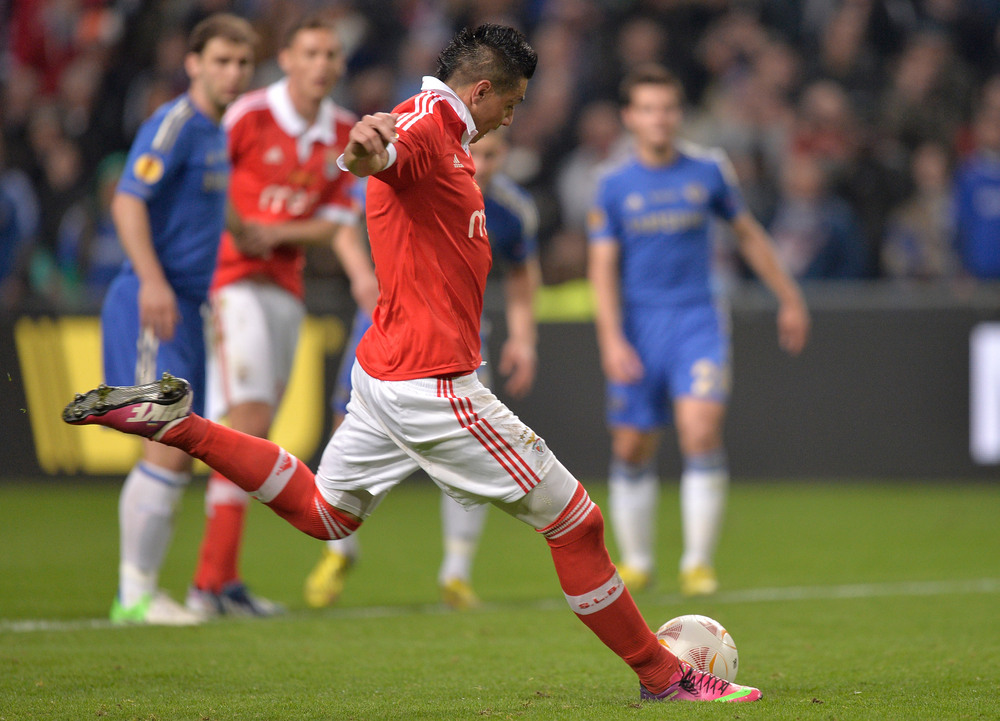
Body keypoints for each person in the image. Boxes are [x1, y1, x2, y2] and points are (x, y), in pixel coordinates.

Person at [64, 24, 761, 703]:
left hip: (383, 376)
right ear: (482, 91)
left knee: (326, 513)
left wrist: (373, 147)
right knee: (576, 524)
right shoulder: (427, 122)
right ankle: (664, 676)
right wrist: (364, 146)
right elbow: (379, 155)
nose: (509, 119)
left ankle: (180, 425)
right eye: (511, 104)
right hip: (433, 385)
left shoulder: (449, 135)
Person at [587, 64, 809, 597]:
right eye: (648, 109)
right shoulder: (612, 184)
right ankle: (638, 561)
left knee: (701, 432)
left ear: (678, 113)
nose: (659, 118)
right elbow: (602, 266)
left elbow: (747, 234)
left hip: (697, 321)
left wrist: (788, 296)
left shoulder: (708, 170)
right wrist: (611, 338)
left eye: (667, 108)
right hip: (639, 326)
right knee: (632, 445)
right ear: (630, 117)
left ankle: (697, 563)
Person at [184, 14, 378, 618]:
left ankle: (223, 582)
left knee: (256, 428)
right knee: (247, 420)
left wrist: (279, 233)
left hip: (285, 288)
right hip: (231, 281)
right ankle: (208, 583)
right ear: (287, 59)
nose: (322, 64)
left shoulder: (343, 131)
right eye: (310, 52)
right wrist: (237, 230)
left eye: (331, 54)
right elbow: (205, 180)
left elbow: (337, 222)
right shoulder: (249, 115)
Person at [304, 129, 541, 610]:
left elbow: (521, 272)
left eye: (492, 155)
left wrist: (523, 338)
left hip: (458, 336)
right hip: (386, 320)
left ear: (506, 155)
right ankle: (339, 551)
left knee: (469, 449)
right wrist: (362, 278)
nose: (482, 164)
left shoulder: (512, 209)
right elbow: (344, 220)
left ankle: (456, 571)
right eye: (476, 152)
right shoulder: (420, 172)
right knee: (344, 427)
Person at [97, 13, 257, 625]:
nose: (232, 73)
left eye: (242, 63)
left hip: (187, 307)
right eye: (221, 61)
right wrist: (154, 280)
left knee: (179, 444)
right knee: (167, 441)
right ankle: (134, 595)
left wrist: (243, 231)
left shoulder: (215, 131)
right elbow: (127, 200)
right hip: (151, 302)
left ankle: (140, 593)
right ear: (193, 64)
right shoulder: (176, 124)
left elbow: (207, 202)